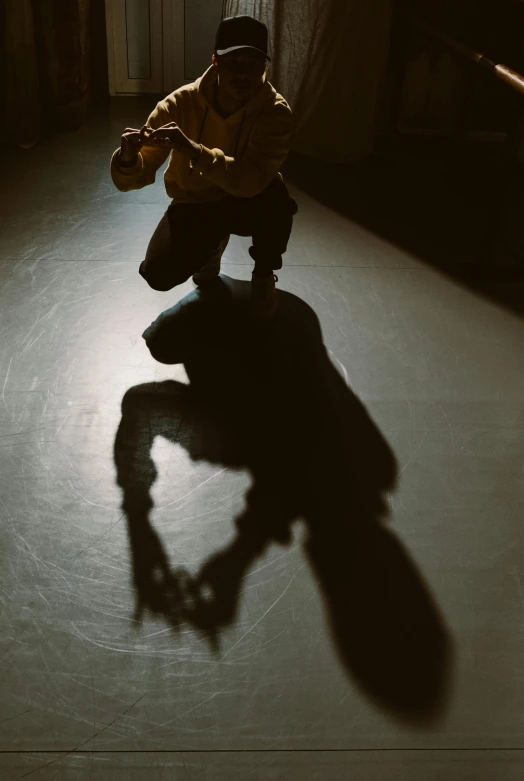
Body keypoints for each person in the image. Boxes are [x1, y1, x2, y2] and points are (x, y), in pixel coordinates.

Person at [110, 14, 298, 320]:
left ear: (264, 66)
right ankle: (211, 246)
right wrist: (128, 158)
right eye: (232, 62)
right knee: (158, 274)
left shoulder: (275, 112)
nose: (242, 74)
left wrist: (193, 150)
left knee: (276, 200)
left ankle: (264, 273)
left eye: (252, 63)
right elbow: (132, 178)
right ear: (215, 62)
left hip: (247, 200)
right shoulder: (178, 105)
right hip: (195, 202)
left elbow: (252, 180)